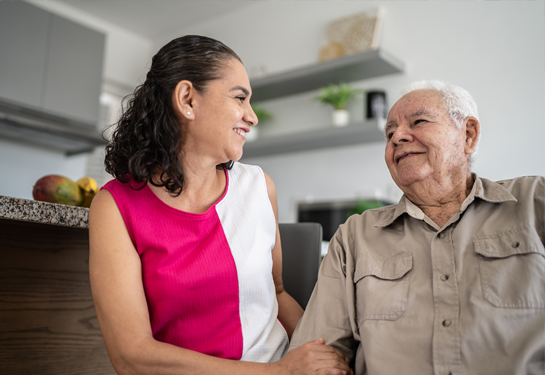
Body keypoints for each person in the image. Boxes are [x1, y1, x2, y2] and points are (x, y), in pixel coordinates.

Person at [89, 35, 351, 375]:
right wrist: (280, 373)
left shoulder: (259, 187)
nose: (252, 117)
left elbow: (278, 291)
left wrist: (315, 351)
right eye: (240, 98)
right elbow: (132, 356)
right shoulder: (115, 206)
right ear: (187, 99)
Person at [289, 80, 545, 375]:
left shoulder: (534, 202)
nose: (397, 136)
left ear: (468, 135)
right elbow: (316, 357)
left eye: (419, 121)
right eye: (389, 133)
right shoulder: (354, 236)